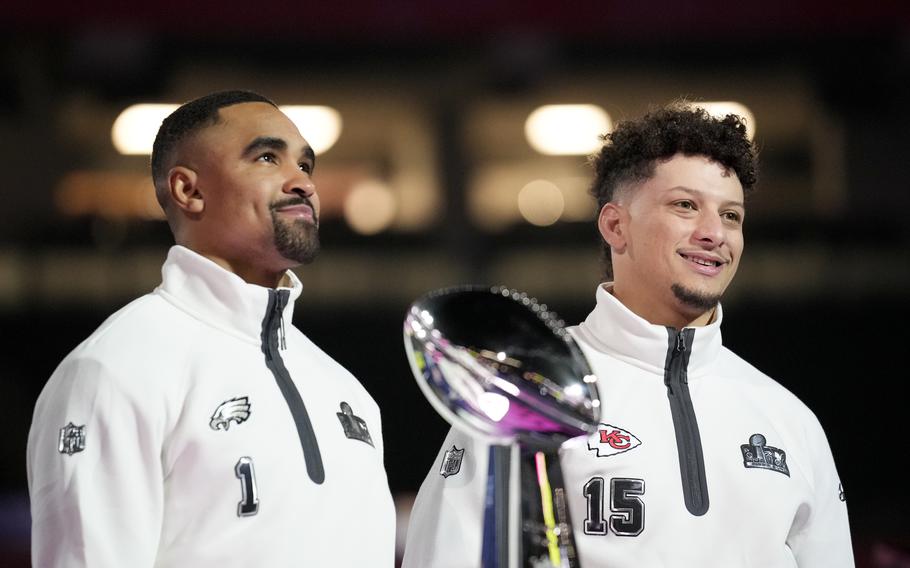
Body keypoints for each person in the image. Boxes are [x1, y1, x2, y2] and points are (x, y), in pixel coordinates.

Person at [402, 105, 854, 567]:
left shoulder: (788, 419)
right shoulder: (530, 392)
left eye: (732, 215)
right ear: (616, 225)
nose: (715, 233)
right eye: (685, 205)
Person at [27, 90, 396, 567]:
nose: (301, 183)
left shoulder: (345, 390)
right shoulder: (114, 370)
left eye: (306, 166)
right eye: (267, 157)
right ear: (189, 191)